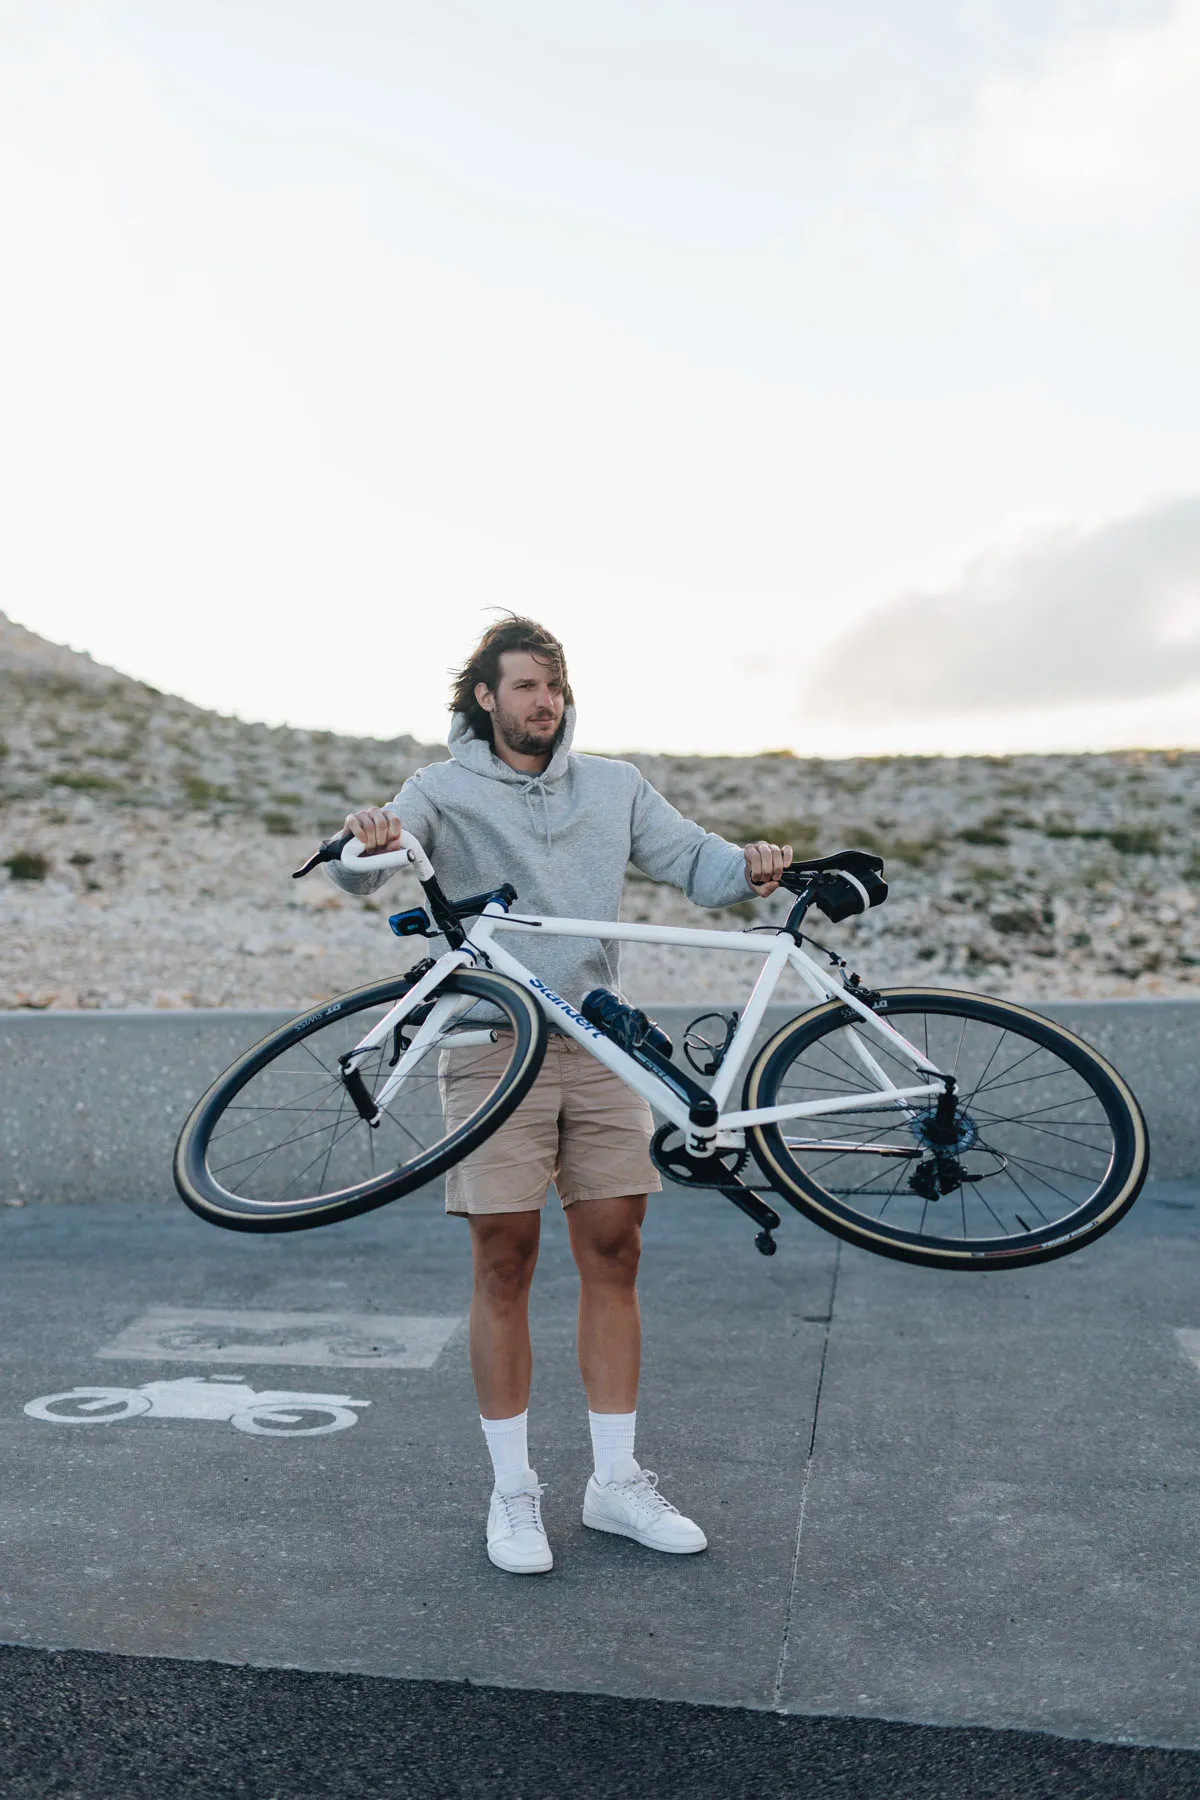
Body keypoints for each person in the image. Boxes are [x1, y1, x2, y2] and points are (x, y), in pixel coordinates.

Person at [326, 616, 791, 1575]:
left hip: (598, 1044)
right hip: (491, 1047)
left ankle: (615, 1485)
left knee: (614, 1252)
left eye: (556, 686)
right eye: (526, 685)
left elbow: (696, 863)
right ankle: (515, 1494)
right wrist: (360, 842)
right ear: (485, 697)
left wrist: (749, 862)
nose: (545, 701)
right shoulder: (440, 789)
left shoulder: (614, 785)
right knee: (505, 1261)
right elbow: (367, 868)